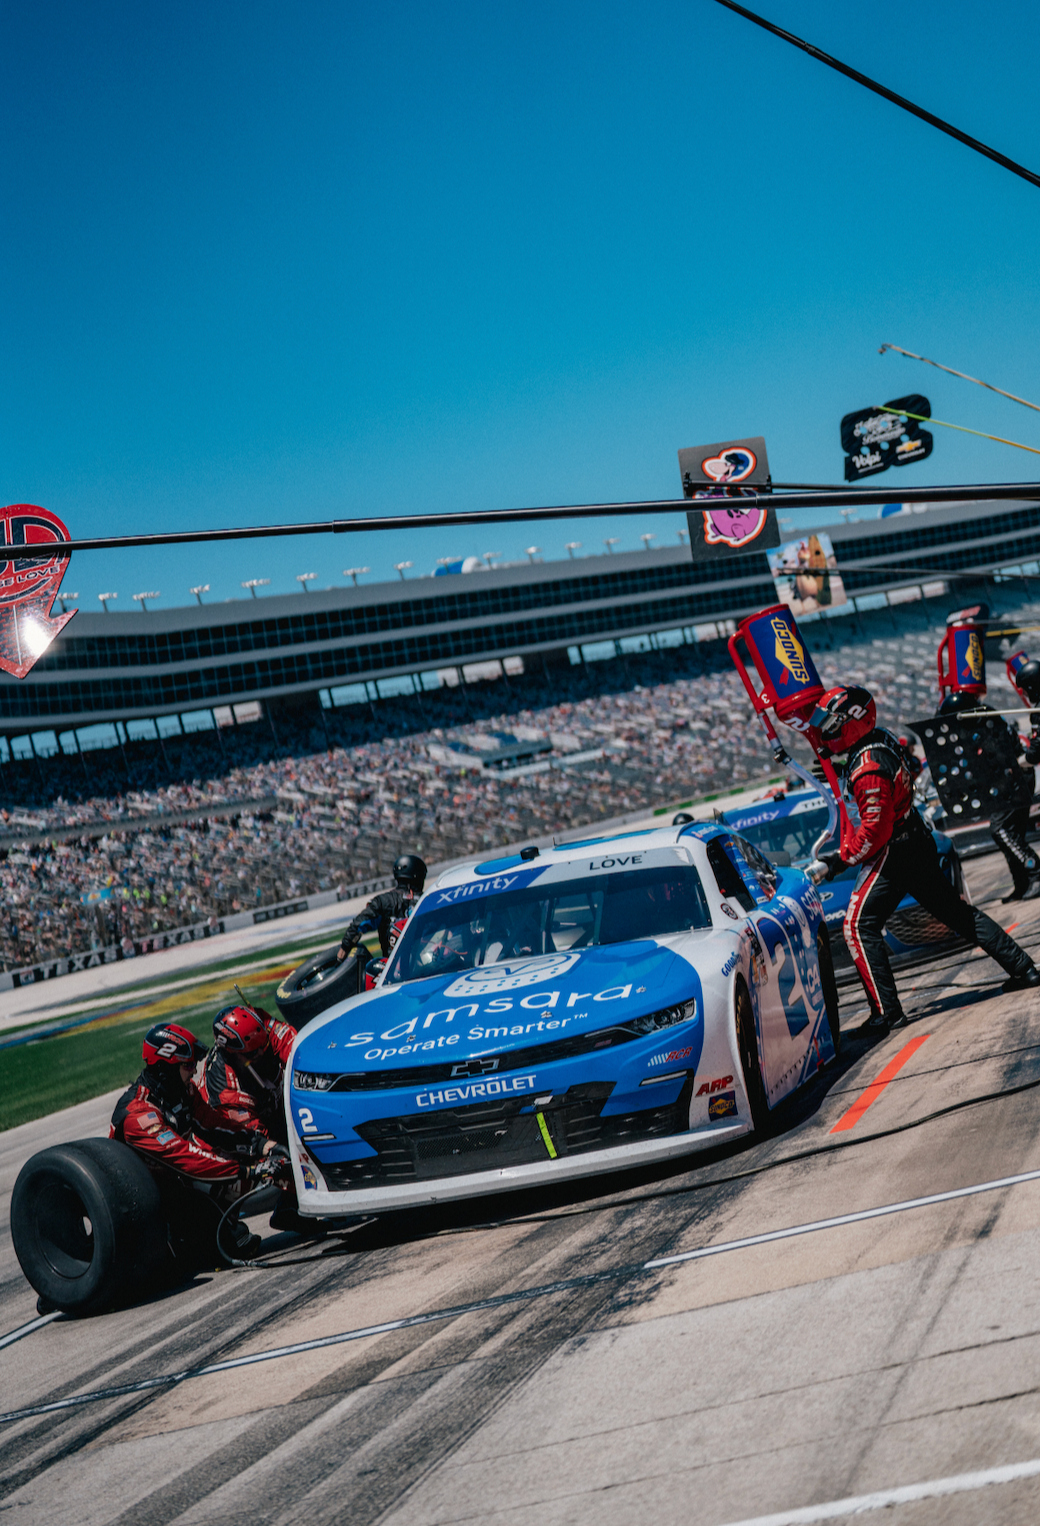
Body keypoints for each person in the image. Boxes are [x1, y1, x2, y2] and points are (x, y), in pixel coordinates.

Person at [812, 686, 1040, 1034]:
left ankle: (886, 1014)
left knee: (858, 926)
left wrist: (839, 861)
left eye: (831, 724)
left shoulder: (867, 767)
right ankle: (1024, 968)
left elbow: (874, 833)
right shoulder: (883, 740)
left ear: (854, 722)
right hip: (915, 839)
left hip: (896, 850)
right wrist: (839, 762)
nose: (824, 731)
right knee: (958, 914)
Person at [110, 1022, 286, 1260]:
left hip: (173, 1187)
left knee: (232, 1231)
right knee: (222, 1247)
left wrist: (262, 1145)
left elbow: (214, 1125)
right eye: (188, 1065)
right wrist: (249, 1170)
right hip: (140, 1208)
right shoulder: (139, 1115)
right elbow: (186, 1158)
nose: (194, 1071)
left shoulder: (182, 1092)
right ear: (166, 1066)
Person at [202, 1003, 302, 1232]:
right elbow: (258, 1144)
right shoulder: (228, 1092)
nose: (261, 1052)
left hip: (271, 1112)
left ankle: (291, 1208)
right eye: (252, 1052)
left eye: (263, 1045)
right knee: (276, 1160)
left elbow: (292, 1042)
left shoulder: (257, 1027)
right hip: (232, 1144)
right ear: (231, 1052)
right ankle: (221, 1227)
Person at [936, 691, 1040, 903]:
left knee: (1001, 830)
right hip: (1013, 780)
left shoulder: (984, 724)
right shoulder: (986, 718)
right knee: (1012, 833)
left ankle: (1035, 872)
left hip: (1013, 781)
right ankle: (1022, 883)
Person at [337, 853, 427, 962]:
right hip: (427, 963)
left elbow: (359, 925)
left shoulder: (383, 901)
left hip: (392, 969)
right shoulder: (427, 899)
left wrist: (343, 950)